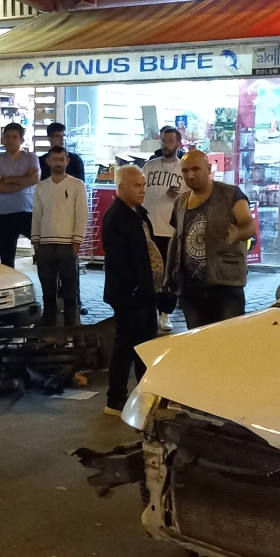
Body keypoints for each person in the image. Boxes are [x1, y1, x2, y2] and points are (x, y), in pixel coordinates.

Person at [166, 150, 254, 328]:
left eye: (195, 169)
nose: (190, 175)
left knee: (229, 337)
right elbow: (176, 238)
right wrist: (168, 276)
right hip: (190, 290)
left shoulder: (231, 194)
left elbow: (249, 226)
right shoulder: (180, 202)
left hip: (225, 285)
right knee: (198, 340)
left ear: (208, 168)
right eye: (185, 171)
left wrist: (237, 234)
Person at [101, 165, 163, 416]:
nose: (142, 190)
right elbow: (118, 261)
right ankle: (115, 399)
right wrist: (136, 289)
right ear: (121, 187)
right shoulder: (116, 216)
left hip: (145, 293)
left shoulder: (138, 213)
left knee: (144, 346)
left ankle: (145, 394)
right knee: (126, 346)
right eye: (137, 185)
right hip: (130, 295)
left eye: (144, 185)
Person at [31, 146, 87, 326]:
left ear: (67, 161)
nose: (58, 163)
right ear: (48, 161)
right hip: (45, 244)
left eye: (61, 159)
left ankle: (72, 330)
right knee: (48, 292)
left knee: (70, 292)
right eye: (54, 159)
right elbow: (37, 215)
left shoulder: (77, 185)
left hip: (67, 244)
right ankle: (49, 329)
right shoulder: (41, 187)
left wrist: (77, 242)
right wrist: (36, 241)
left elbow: (82, 215)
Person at [142, 126, 186, 333]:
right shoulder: (150, 166)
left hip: (170, 229)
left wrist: (179, 196)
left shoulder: (184, 168)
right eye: (163, 141)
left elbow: (191, 197)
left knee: (169, 274)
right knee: (148, 273)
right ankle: (148, 311)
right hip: (149, 228)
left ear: (178, 143)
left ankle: (165, 313)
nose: (166, 145)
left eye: (170, 141)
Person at [0, 122, 40, 268]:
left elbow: (35, 179)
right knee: (6, 260)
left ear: (21, 140)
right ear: (3, 139)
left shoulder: (31, 158)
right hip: (3, 214)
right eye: (8, 137)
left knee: (43, 248)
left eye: (14, 137)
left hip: (28, 212)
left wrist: (8, 180)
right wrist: (25, 181)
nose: (10, 140)